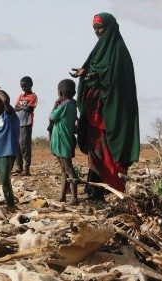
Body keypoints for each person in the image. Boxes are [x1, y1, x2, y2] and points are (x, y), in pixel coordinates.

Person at [70, 13, 139, 201]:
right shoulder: (98, 51)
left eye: (100, 28)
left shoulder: (120, 53)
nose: (97, 32)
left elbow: (119, 82)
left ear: (110, 28)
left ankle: (111, 189)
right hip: (95, 110)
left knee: (108, 149)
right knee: (95, 149)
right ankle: (94, 190)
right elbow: (94, 72)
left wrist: (96, 76)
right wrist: (87, 74)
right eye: (94, 29)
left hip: (111, 112)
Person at [49, 79, 78, 205]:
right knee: (64, 170)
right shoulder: (72, 105)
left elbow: (51, 117)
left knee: (69, 169)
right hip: (65, 140)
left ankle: (74, 197)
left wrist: (55, 105)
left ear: (60, 92)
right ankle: (62, 196)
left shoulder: (64, 105)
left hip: (62, 142)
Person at [14, 76, 38, 176]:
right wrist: (23, 107)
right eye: (22, 87)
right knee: (17, 146)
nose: (23, 88)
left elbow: (30, 109)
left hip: (26, 124)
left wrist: (21, 107)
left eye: (25, 86)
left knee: (25, 146)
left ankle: (26, 169)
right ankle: (18, 167)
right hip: (18, 123)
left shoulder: (33, 96)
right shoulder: (21, 96)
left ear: (31, 85)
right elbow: (15, 107)